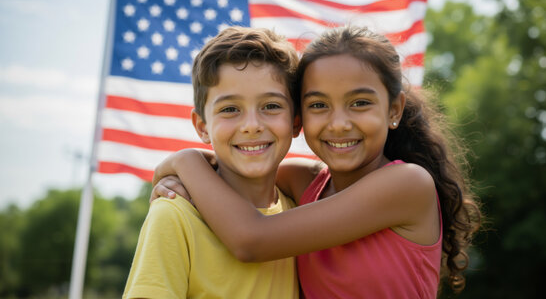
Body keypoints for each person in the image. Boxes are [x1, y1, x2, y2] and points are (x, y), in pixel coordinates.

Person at [153, 26, 481, 298]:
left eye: (360, 102)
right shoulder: (303, 181)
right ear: (300, 116)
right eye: (318, 105)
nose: (338, 123)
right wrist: (180, 179)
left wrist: (184, 162)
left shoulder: (408, 184)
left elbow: (251, 239)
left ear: (394, 109)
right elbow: (235, 168)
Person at [122, 27, 301, 299]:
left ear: (296, 122)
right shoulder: (174, 216)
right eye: (230, 109)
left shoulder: (300, 210)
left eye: (271, 106)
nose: (251, 126)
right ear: (202, 126)